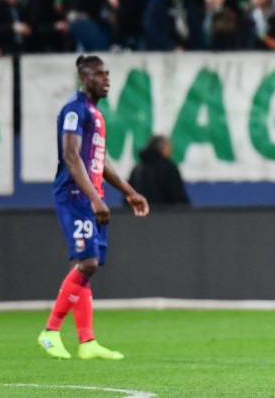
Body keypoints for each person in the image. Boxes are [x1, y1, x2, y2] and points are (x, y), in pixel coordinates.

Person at [38, 56, 149, 360]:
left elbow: (99, 162)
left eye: (107, 74)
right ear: (84, 77)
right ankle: (50, 332)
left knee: (88, 265)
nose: (106, 79)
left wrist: (129, 192)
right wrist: (94, 199)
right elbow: (72, 157)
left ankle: (87, 342)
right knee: (87, 262)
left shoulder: (94, 114)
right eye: (99, 74)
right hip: (75, 196)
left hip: (90, 195)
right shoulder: (74, 111)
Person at [129, 136, 189, 205]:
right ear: (162, 149)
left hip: (141, 213)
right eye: (168, 147)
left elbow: (129, 197)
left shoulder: (137, 169)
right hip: (165, 214)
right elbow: (178, 197)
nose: (171, 150)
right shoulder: (169, 168)